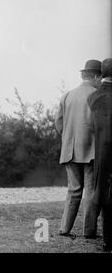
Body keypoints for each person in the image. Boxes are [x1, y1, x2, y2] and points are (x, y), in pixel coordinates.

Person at [55, 59, 102, 239]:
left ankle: (64, 228)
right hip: (91, 150)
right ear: (96, 76)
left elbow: (58, 123)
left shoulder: (67, 95)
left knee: (73, 190)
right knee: (90, 190)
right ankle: (89, 231)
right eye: (101, 77)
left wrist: (67, 137)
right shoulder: (97, 95)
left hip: (69, 150)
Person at [88, 58, 112, 252]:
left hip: (102, 153)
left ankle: (107, 240)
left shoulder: (93, 98)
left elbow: (91, 127)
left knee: (105, 193)